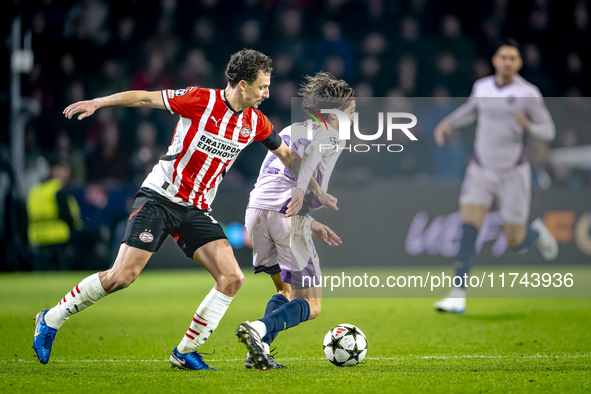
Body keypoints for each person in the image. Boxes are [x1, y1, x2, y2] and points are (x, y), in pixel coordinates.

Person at [33, 49, 336, 370]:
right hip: (159, 198)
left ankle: (185, 351)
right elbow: (145, 99)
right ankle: (51, 318)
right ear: (243, 85)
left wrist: (314, 191)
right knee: (122, 276)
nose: (267, 93)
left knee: (231, 277)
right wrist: (98, 103)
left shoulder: (256, 122)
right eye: (262, 87)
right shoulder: (199, 100)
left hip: (195, 210)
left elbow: (288, 156)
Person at [234, 72, 355, 369]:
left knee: (284, 292)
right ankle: (259, 329)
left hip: (256, 212)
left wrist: (309, 223)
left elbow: (279, 174)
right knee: (312, 305)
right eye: (351, 112)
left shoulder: (292, 128)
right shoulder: (331, 136)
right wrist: (313, 198)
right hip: (286, 215)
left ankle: (258, 350)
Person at [433, 39, 558, 314]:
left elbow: (549, 131)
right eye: (503, 57)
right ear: (495, 61)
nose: (507, 62)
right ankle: (457, 295)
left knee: (515, 242)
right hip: (481, 169)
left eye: (513, 58)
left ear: (519, 64)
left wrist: (530, 126)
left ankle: (534, 232)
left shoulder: (529, 93)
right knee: (469, 228)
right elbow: (470, 110)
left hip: (514, 172)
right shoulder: (482, 87)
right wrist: (447, 123)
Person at [27, 159, 82, 270]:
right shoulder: (59, 190)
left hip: (38, 242)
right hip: (59, 243)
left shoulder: (35, 191)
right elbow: (69, 217)